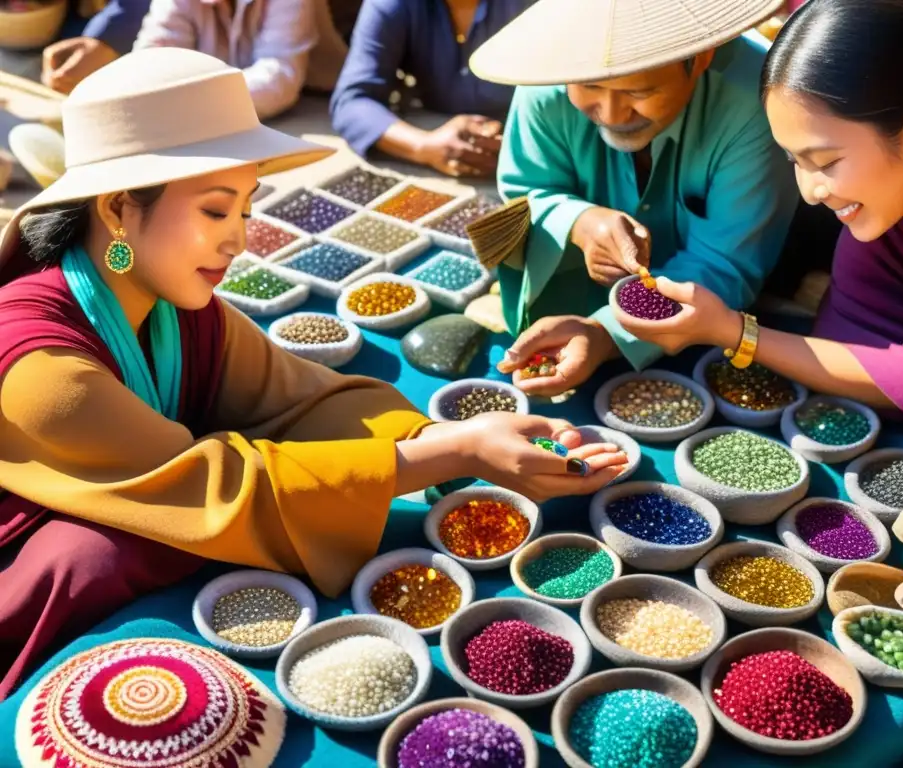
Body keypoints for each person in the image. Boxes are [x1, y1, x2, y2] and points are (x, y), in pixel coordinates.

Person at [0, 48, 627, 700]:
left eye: (245, 209)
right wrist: (448, 453)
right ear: (118, 210)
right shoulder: (39, 366)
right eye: (216, 211)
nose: (239, 240)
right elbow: (216, 491)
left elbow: (300, 400)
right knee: (91, 556)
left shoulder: (172, 308)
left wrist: (460, 445)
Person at [613, 0, 903, 440]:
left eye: (826, 161)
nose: (810, 193)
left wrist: (732, 330)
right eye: (795, 161)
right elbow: (853, 329)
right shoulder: (902, 186)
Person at [467, 0, 799, 396]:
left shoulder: (758, 102)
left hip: (710, 321)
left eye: (641, 91)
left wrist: (605, 332)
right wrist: (579, 221)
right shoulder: (549, 74)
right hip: (567, 297)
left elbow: (724, 262)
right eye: (589, 85)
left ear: (701, 56)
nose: (612, 113)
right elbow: (526, 192)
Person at [329, 0, 533, 177]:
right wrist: (424, 146)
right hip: (442, 142)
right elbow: (352, 102)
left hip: (538, 154)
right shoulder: (395, 5)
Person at [41, 0, 351, 116]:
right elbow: (152, 58)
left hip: (310, 104)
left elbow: (280, 75)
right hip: (213, 108)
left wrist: (189, 100)